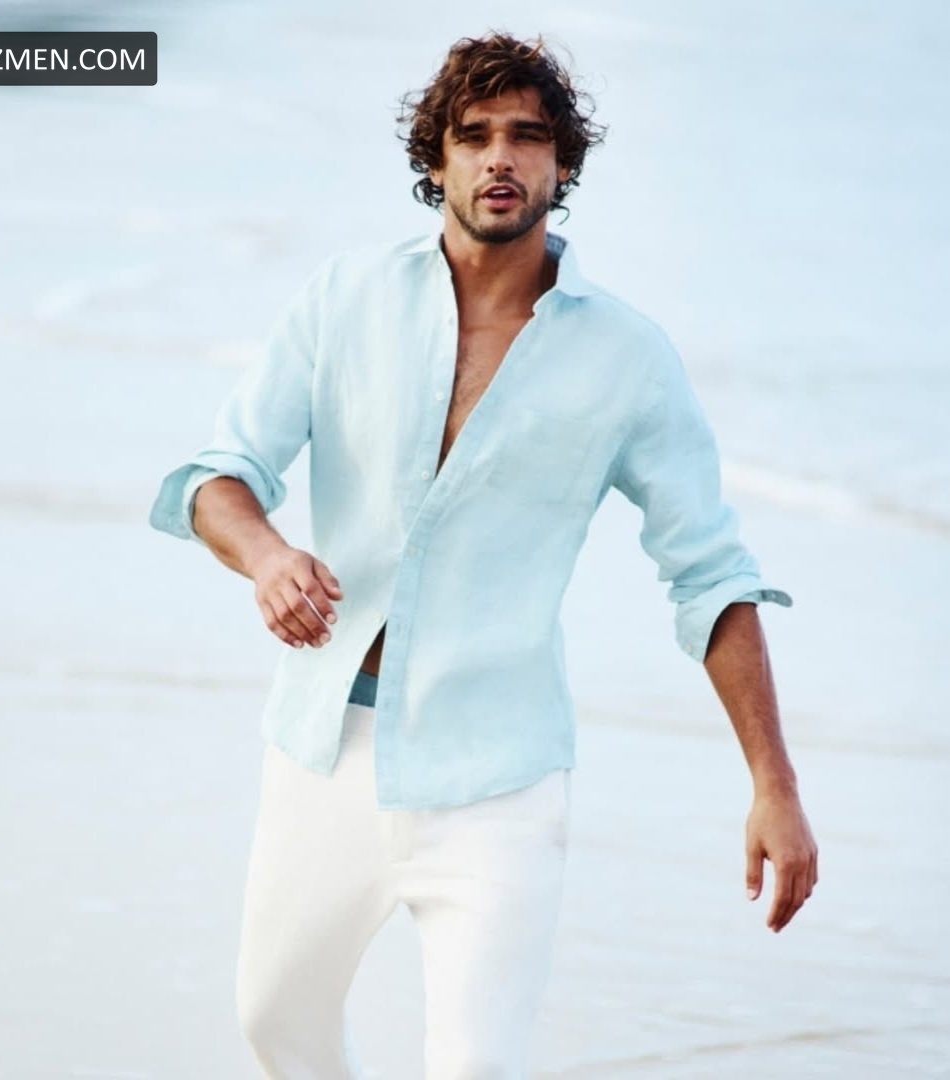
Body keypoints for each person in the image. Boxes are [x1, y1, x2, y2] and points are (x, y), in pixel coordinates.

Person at [150, 30, 818, 1080]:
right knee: (274, 1020)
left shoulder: (628, 359)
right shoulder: (345, 298)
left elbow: (710, 577)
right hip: (327, 746)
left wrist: (773, 785)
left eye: (527, 136)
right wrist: (271, 557)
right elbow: (216, 476)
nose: (500, 157)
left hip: (497, 781)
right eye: (473, 135)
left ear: (562, 164)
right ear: (438, 159)